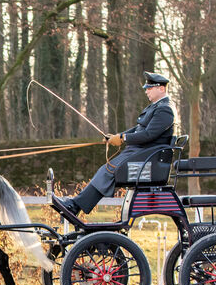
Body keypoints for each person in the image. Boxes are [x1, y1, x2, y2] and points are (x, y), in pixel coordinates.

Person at [58, 71, 176, 216]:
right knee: (106, 170)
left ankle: (75, 206)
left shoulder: (165, 109)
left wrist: (123, 138)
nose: (146, 91)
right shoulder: (155, 107)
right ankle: (75, 205)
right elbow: (138, 129)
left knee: (108, 171)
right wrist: (117, 136)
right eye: (147, 88)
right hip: (139, 153)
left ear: (161, 89)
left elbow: (149, 135)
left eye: (150, 88)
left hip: (146, 156)